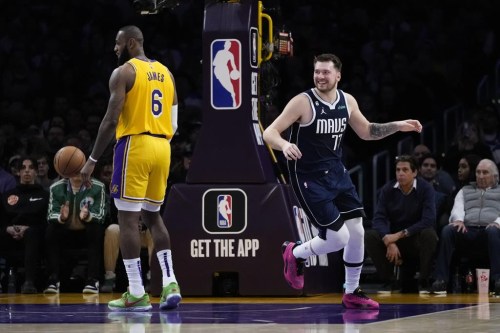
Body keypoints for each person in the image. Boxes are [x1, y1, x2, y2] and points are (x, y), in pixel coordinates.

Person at [262, 53, 423, 309]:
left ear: (338, 75)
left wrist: (398, 125)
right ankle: (293, 253)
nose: (320, 76)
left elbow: (368, 131)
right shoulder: (302, 102)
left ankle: (351, 291)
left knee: (357, 231)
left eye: (325, 72)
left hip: (337, 173)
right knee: (338, 238)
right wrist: (284, 144)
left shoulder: (347, 101)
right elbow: (269, 132)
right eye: (317, 72)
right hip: (308, 177)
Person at [80, 25, 181, 311]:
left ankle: (136, 291)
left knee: (127, 220)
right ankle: (171, 282)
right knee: (153, 217)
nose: (115, 48)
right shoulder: (167, 74)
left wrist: (92, 160)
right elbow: (174, 124)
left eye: (118, 43)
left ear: (132, 43)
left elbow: (111, 120)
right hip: (163, 148)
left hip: (135, 145)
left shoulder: (124, 72)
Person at [365, 155, 438, 294]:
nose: (401, 173)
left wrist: (398, 235)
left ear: (415, 172)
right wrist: (389, 241)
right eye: (398, 170)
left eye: (405, 170)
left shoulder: (426, 189)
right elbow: (378, 219)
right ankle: (389, 281)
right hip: (395, 241)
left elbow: (428, 220)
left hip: (415, 238)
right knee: (370, 236)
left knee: (429, 234)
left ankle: (424, 281)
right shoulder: (388, 189)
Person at [431, 159, 500, 295]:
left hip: (491, 232)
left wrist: (498, 223)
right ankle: (441, 280)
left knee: (493, 231)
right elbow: (457, 208)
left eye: (485, 172)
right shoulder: (465, 190)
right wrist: (459, 220)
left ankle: (498, 280)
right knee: (448, 230)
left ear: (495, 176)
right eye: (478, 172)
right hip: (469, 230)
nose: (480, 176)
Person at [43, 173, 107, 294]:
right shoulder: (56, 187)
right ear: (67, 169)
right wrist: (61, 217)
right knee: (51, 230)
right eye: (75, 168)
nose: (78, 171)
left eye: (82, 168)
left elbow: (101, 215)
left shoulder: (98, 186)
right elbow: (51, 215)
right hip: (66, 233)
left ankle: (92, 280)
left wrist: (88, 215)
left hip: (86, 232)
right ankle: (53, 279)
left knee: (96, 229)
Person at [0, 156, 49, 293]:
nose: (27, 171)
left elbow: (46, 223)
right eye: (23, 168)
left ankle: (29, 282)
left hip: (35, 238)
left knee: (33, 233)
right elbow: (2, 222)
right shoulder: (6, 196)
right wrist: (8, 229)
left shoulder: (45, 196)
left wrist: (28, 229)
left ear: (36, 172)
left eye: (31, 168)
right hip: (9, 237)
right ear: (17, 172)